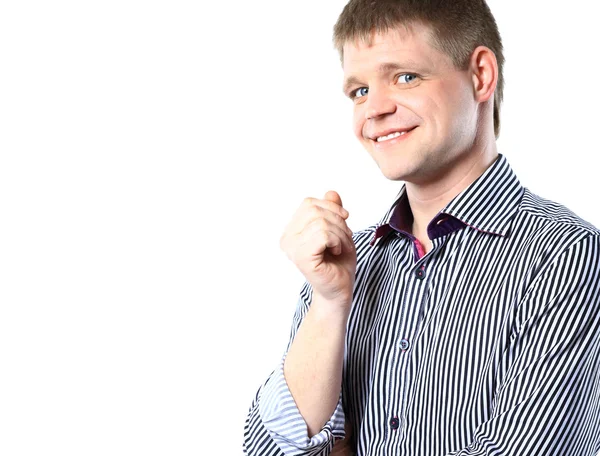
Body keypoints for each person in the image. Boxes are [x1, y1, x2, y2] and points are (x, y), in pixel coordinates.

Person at [243, 0, 600, 454]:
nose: (374, 109)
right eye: (358, 91)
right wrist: (330, 304)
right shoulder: (350, 262)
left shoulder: (567, 255)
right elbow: (267, 449)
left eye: (405, 77)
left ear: (480, 76)